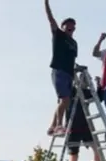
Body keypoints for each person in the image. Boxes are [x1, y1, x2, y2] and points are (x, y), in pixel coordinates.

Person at [44, 0, 78, 136]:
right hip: (59, 71)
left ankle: (52, 127)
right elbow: (50, 18)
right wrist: (46, 3)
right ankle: (59, 126)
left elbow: (72, 59)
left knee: (63, 101)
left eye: (73, 26)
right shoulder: (59, 35)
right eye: (68, 25)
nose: (70, 28)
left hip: (69, 74)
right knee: (65, 100)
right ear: (63, 27)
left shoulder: (74, 43)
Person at [65, 74, 104, 161]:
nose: (87, 82)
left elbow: (99, 98)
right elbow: (65, 86)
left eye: (88, 80)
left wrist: (99, 86)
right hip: (72, 125)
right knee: (74, 154)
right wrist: (71, 75)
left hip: (85, 124)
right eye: (85, 80)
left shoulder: (86, 92)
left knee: (96, 147)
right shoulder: (72, 91)